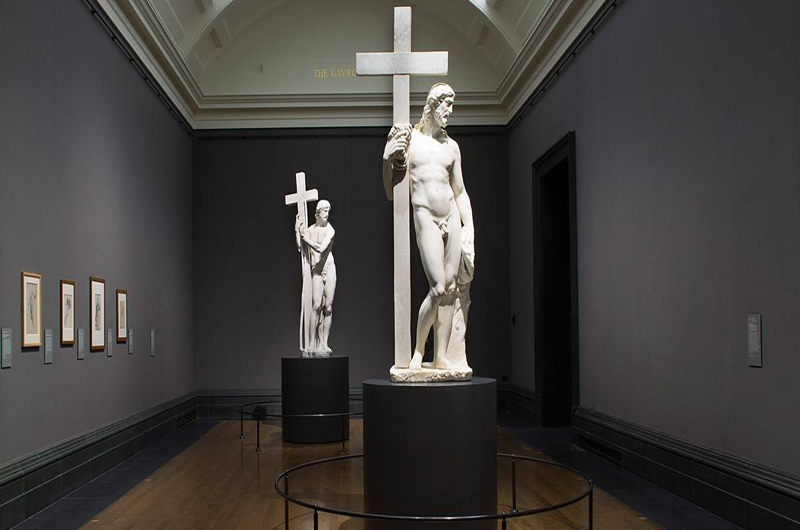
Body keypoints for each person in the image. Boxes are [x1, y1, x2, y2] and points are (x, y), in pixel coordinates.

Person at [383, 83, 475, 371]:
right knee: (437, 288)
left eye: (452, 106)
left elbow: (460, 191)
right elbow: (390, 190)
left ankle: (441, 356)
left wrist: (470, 226)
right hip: (426, 217)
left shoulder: (452, 147)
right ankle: (418, 351)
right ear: (433, 105)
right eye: (447, 105)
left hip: (451, 216)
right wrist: (386, 159)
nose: (450, 112)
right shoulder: (412, 142)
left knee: (450, 289)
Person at [295, 200, 336, 355]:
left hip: (329, 268)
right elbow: (300, 247)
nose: (326, 214)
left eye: (328, 211)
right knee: (316, 305)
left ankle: (324, 344)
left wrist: (305, 238)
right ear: (317, 213)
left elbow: (321, 248)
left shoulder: (330, 230)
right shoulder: (310, 230)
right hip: (317, 271)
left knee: (328, 307)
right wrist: (297, 231)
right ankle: (312, 343)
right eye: (324, 211)